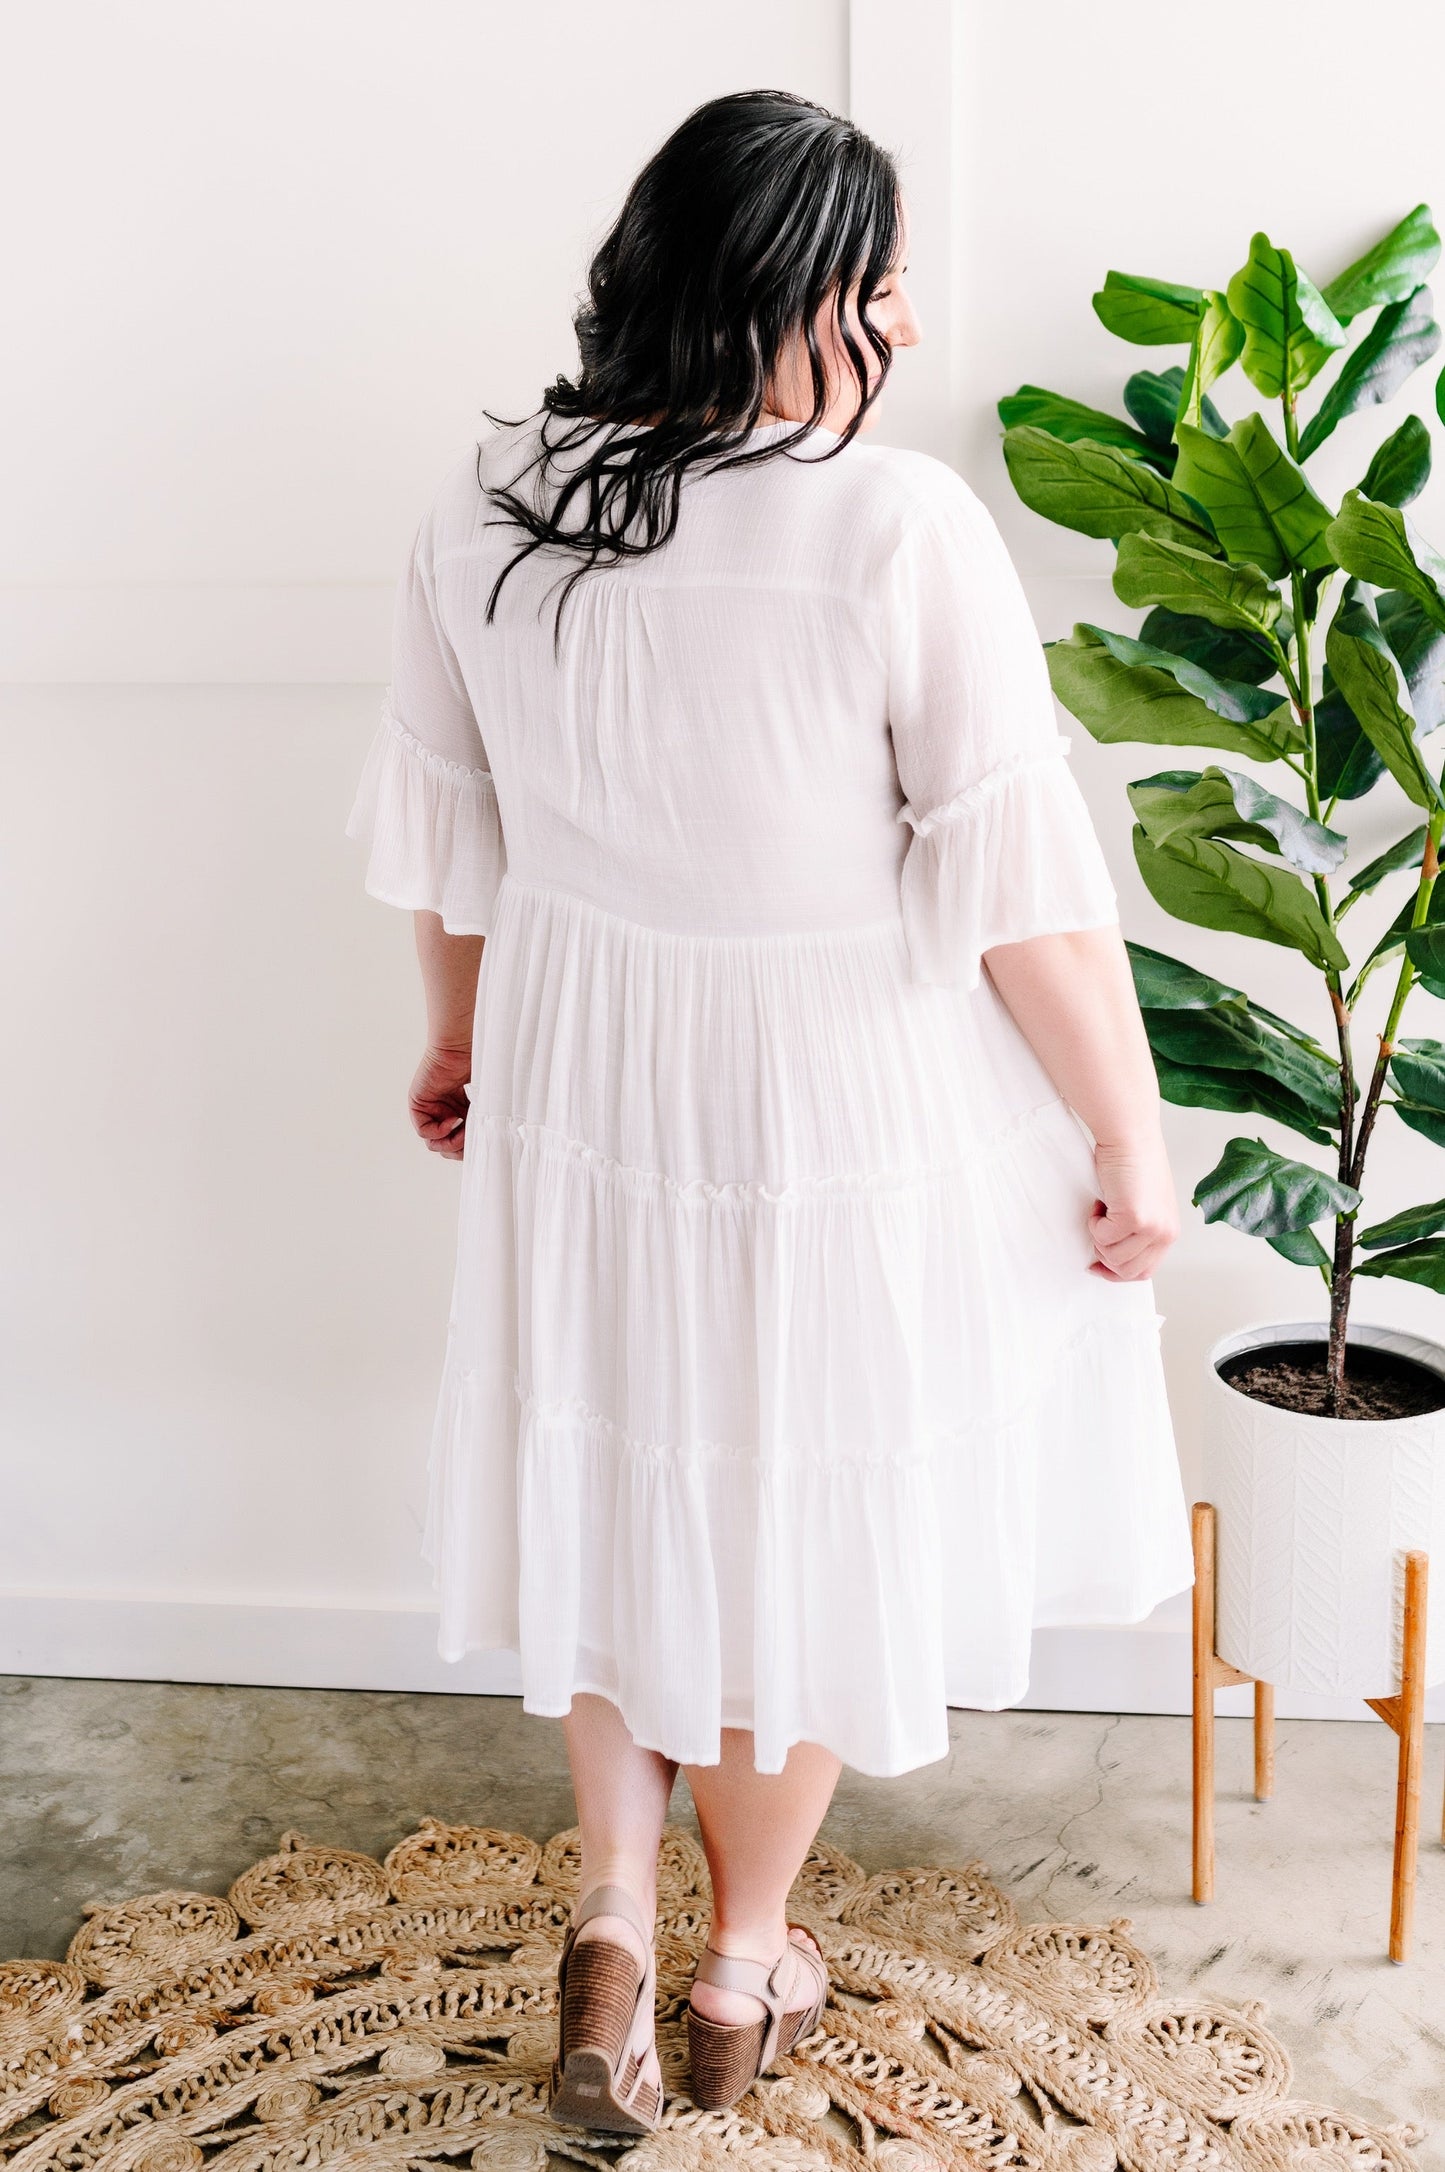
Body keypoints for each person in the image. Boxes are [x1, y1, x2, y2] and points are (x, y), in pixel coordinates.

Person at [345, 87, 1193, 2137]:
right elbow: (1025, 904)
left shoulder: (487, 503)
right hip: (835, 1095)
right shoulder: (890, 526)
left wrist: (456, 1039)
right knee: (792, 1512)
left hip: (584, 1064)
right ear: (811, 293)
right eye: (871, 282)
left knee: (629, 1475)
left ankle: (615, 1937)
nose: (894, 316)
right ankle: (739, 1971)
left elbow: (453, 843)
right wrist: (1132, 1142)